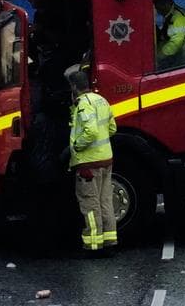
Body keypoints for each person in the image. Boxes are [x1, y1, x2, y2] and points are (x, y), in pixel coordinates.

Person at [65, 65, 117, 254]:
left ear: (74, 87)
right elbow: (112, 129)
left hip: (88, 163)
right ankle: (110, 240)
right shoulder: (101, 100)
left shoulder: (83, 103)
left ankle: (94, 245)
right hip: (106, 159)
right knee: (105, 201)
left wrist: (77, 146)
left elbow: (91, 131)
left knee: (89, 203)